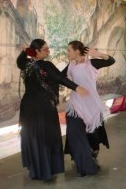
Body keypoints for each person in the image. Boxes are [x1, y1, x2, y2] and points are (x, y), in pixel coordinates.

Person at [17, 39, 88, 181]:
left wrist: (25, 51)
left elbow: (57, 76)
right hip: (43, 107)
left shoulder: (25, 64)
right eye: (45, 49)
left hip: (27, 107)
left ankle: (36, 169)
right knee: (46, 136)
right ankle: (47, 170)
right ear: (36, 51)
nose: (48, 51)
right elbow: (60, 78)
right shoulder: (45, 65)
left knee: (33, 136)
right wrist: (76, 87)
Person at [63, 40, 115, 176]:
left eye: (69, 50)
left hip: (91, 105)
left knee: (93, 134)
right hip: (75, 105)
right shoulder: (70, 66)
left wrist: (98, 54)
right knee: (75, 132)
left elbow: (111, 61)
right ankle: (80, 155)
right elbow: (58, 77)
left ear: (77, 51)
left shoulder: (91, 64)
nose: (67, 53)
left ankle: (92, 152)